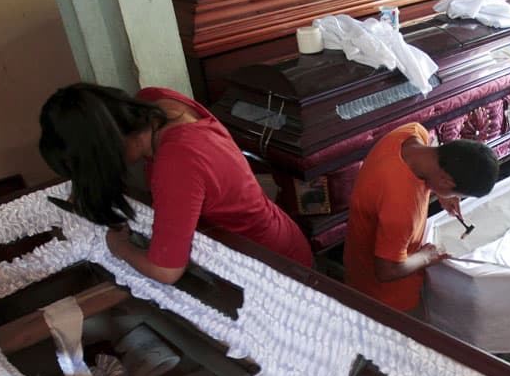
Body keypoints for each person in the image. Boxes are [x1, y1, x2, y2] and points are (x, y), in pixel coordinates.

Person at [37, 83, 313, 283]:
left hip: (273, 266)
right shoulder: (153, 103)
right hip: (271, 239)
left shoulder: (177, 162)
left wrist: (118, 247)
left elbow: (165, 271)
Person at [344, 122, 499, 313]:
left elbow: (429, 170)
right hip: (386, 297)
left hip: (356, 264)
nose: (452, 197)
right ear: (446, 180)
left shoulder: (413, 132)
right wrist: (426, 257)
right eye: (453, 192)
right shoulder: (402, 205)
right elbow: (386, 270)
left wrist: (443, 193)